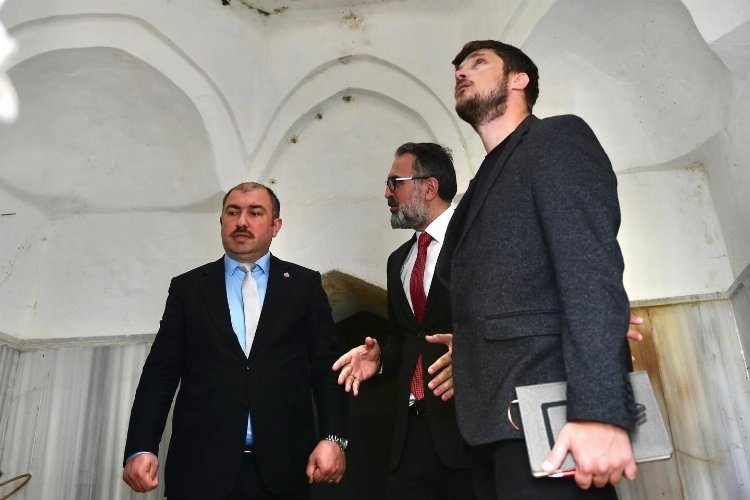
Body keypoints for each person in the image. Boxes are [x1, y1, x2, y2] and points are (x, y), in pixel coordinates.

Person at [436, 40, 638, 499]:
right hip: (490, 426)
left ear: (519, 80)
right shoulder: (480, 184)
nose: (461, 72)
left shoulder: (556, 139)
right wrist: (471, 343)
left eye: (478, 62)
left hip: (553, 417)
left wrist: (599, 411)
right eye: (458, 68)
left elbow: (590, 269)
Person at [122, 182, 348, 500]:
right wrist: (141, 447)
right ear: (221, 221)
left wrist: (334, 438)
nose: (242, 222)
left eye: (255, 213)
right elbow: (160, 373)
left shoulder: (304, 286)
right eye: (233, 212)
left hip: (284, 471)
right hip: (199, 472)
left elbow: (327, 369)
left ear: (275, 226)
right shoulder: (188, 289)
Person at [334, 142, 474, 500]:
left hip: (469, 436)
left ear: (429, 187)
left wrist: (471, 353)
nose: (387, 193)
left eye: (395, 182)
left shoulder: (475, 242)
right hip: (410, 437)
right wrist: (380, 360)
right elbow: (407, 341)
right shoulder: (399, 261)